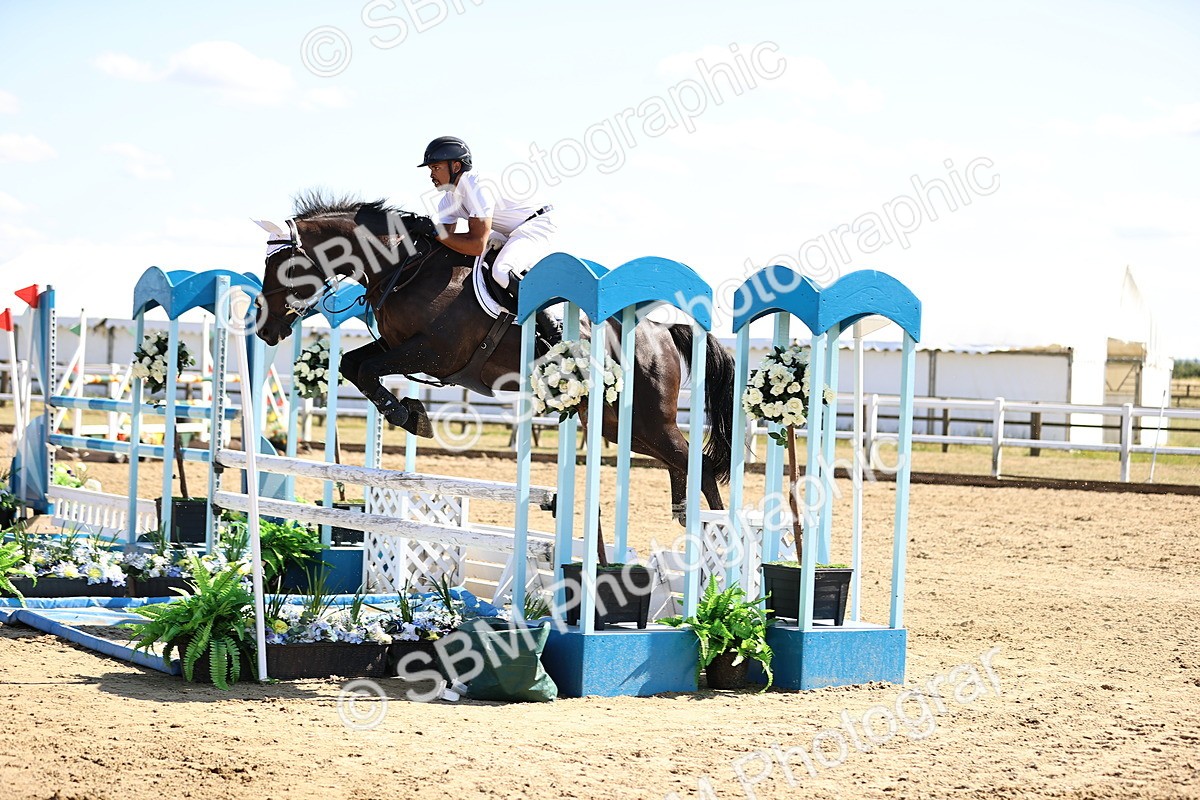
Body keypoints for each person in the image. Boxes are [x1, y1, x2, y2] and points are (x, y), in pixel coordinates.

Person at [417, 136, 562, 340]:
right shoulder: (449, 199)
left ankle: (553, 330)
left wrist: (434, 232)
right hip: (506, 232)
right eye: (431, 169)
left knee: (501, 272)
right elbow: (444, 241)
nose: (432, 174)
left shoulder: (477, 184)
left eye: (436, 167)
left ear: (456, 166)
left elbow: (476, 244)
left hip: (538, 224)